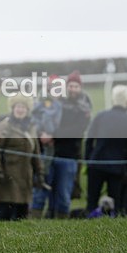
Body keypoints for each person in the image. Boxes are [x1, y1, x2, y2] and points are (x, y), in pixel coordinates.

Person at [84, 85, 127, 213]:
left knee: (92, 200)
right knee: (115, 201)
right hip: (117, 165)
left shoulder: (101, 116)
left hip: (97, 162)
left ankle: (90, 219)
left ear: (113, 99)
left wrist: (89, 160)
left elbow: (89, 139)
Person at [0, 94, 44, 221]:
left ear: (27, 110)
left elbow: (36, 153)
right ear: (13, 108)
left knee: (22, 219)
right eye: (18, 107)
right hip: (7, 179)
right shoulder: (4, 126)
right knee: (3, 218)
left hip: (25, 178)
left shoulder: (31, 128)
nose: (20, 110)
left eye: (23, 107)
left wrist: (40, 173)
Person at [51, 71, 92, 217]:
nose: (73, 89)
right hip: (54, 151)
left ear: (80, 87)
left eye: (75, 86)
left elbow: (78, 129)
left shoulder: (84, 107)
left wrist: (55, 134)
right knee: (52, 187)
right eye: (70, 86)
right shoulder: (59, 102)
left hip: (71, 152)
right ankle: (50, 215)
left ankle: (62, 216)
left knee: (65, 189)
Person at [29, 76, 62, 219]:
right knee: (42, 178)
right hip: (43, 146)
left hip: (57, 148)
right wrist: (42, 133)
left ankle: (53, 214)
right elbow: (34, 118)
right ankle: (34, 215)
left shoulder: (60, 105)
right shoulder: (42, 102)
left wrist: (53, 134)